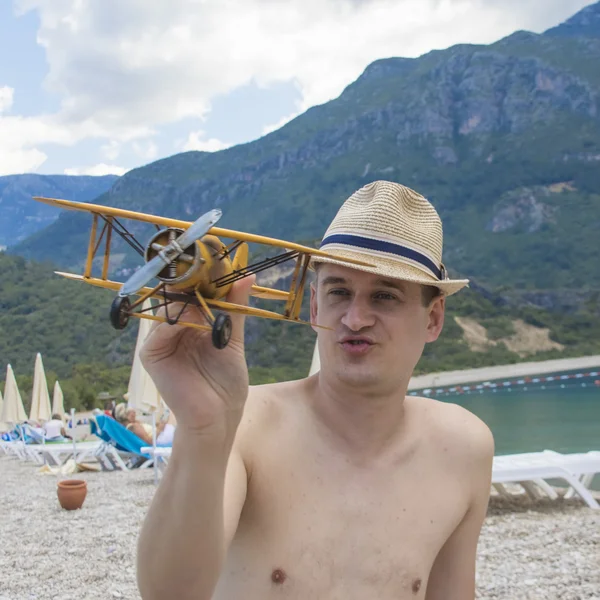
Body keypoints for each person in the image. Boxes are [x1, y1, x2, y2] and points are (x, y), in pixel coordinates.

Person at [136, 181, 495, 600]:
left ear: (433, 319)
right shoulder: (245, 423)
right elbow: (169, 594)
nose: (356, 318)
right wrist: (202, 431)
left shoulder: (462, 448)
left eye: (384, 296)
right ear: (314, 306)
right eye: (339, 292)